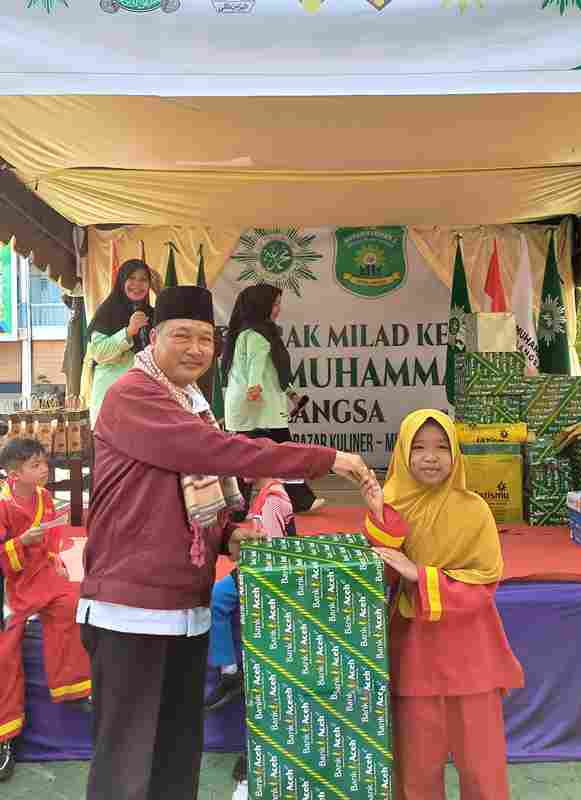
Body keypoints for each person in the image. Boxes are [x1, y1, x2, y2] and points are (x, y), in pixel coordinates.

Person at [77, 285, 369, 800]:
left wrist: (230, 533)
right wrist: (324, 459)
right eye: (182, 336)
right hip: (131, 607)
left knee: (175, 757)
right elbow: (215, 452)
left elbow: (188, 498)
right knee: (126, 765)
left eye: (205, 339)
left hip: (186, 605)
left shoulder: (192, 403)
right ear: (152, 338)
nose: (195, 349)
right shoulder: (133, 395)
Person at [360, 409, 524, 800]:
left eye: (441, 447)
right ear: (402, 453)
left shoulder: (474, 510)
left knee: (482, 768)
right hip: (414, 653)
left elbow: (483, 585)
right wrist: (379, 517)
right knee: (415, 769)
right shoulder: (391, 505)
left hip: (472, 654)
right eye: (418, 447)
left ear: (455, 454)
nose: (430, 457)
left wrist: (421, 574)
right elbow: (379, 580)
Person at [0, 438, 92, 783]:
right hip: (14, 581)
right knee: (5, 652)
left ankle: (74, 687)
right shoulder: (3, 505)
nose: (45, 470)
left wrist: (55, 560)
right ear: (15, 474)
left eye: (44, 463)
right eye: (35, 465)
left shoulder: (44, 497)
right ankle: (5, 735)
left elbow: (53, 541)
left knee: (74, 604)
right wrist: (20, 543)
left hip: (43, 575)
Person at [205, 478, 295, 800]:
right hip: (259, 576)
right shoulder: (266, 494)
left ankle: (230, 672)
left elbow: (272, 553)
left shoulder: (272, 500)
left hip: (265, 582)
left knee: (217, 600)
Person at [221, 283, 325, 514]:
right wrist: (254, 387)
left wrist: (292, 395)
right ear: (261, 305)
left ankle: (238, 507)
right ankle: (298, 500)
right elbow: (255, 365)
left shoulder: (251, 333)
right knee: (281, 453)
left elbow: (273, 373)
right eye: (275, 304)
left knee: (247, 456)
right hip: (256, 407)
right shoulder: (257, 335)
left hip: (253, 406)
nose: (278, 309)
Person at [85, 259, 153, 428]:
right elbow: (99, 353)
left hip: (144, 400)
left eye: (143, 279)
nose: (137, 285)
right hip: (112, 400)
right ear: (122, 281)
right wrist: (128, 332)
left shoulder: (151, 313)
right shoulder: (107, 311)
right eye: (132, 278)